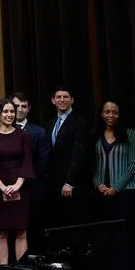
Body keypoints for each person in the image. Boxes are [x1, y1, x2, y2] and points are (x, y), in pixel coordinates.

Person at [92, 101, 135, 270]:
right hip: (102, 195)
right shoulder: (95, 136)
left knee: (124, 237)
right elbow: (92, 166)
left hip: (125, 193)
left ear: (120, 115)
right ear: (101, 114)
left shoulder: (130, 135)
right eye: (107, 112)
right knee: (104, 237)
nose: (111, 115)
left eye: (115, 112)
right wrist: (99, 185)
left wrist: (116, 187)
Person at [0, 98, 33, 267]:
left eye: (12, 112)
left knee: (21, 231)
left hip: (21, 187)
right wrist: (2, 187)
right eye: (5, 111)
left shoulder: (23, 134)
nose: (9, 115)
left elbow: (27, 161)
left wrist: (17, 186)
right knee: (1, 233)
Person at [44, 86, 91, 225]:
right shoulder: (51, 123)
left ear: (72, 100)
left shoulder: (79, 122)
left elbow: (79, 154)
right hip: (55, 182)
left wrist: (70, 182)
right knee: (59, 220)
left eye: (66, 97)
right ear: (53, 100)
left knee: (73, 220)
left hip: (71, 184)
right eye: (58, 97)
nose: (62, 100)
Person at [11, 92, 49, 247]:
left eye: (23, 106)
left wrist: (23, 179)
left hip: (31, 188)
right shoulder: (1, 131)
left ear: (29, 109)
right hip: (7, 188)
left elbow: (44, 162)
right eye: (16, 106)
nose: (19, 110)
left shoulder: (39, 132)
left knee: (31, 229)